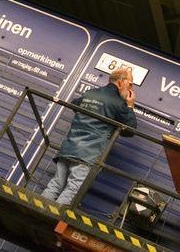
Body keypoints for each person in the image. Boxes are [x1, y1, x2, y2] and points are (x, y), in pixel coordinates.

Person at [42, 68, 137, 205]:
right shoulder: (118, 103)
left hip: (68, 147)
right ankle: (50, 219)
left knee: (55, 184)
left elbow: (75, 105)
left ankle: (35, 210)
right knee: (73, 189)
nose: (131, 89)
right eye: (130, 84)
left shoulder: (90, 93)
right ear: (121, 82)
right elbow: (130, 130)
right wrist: (129, 105)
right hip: (88, 154)